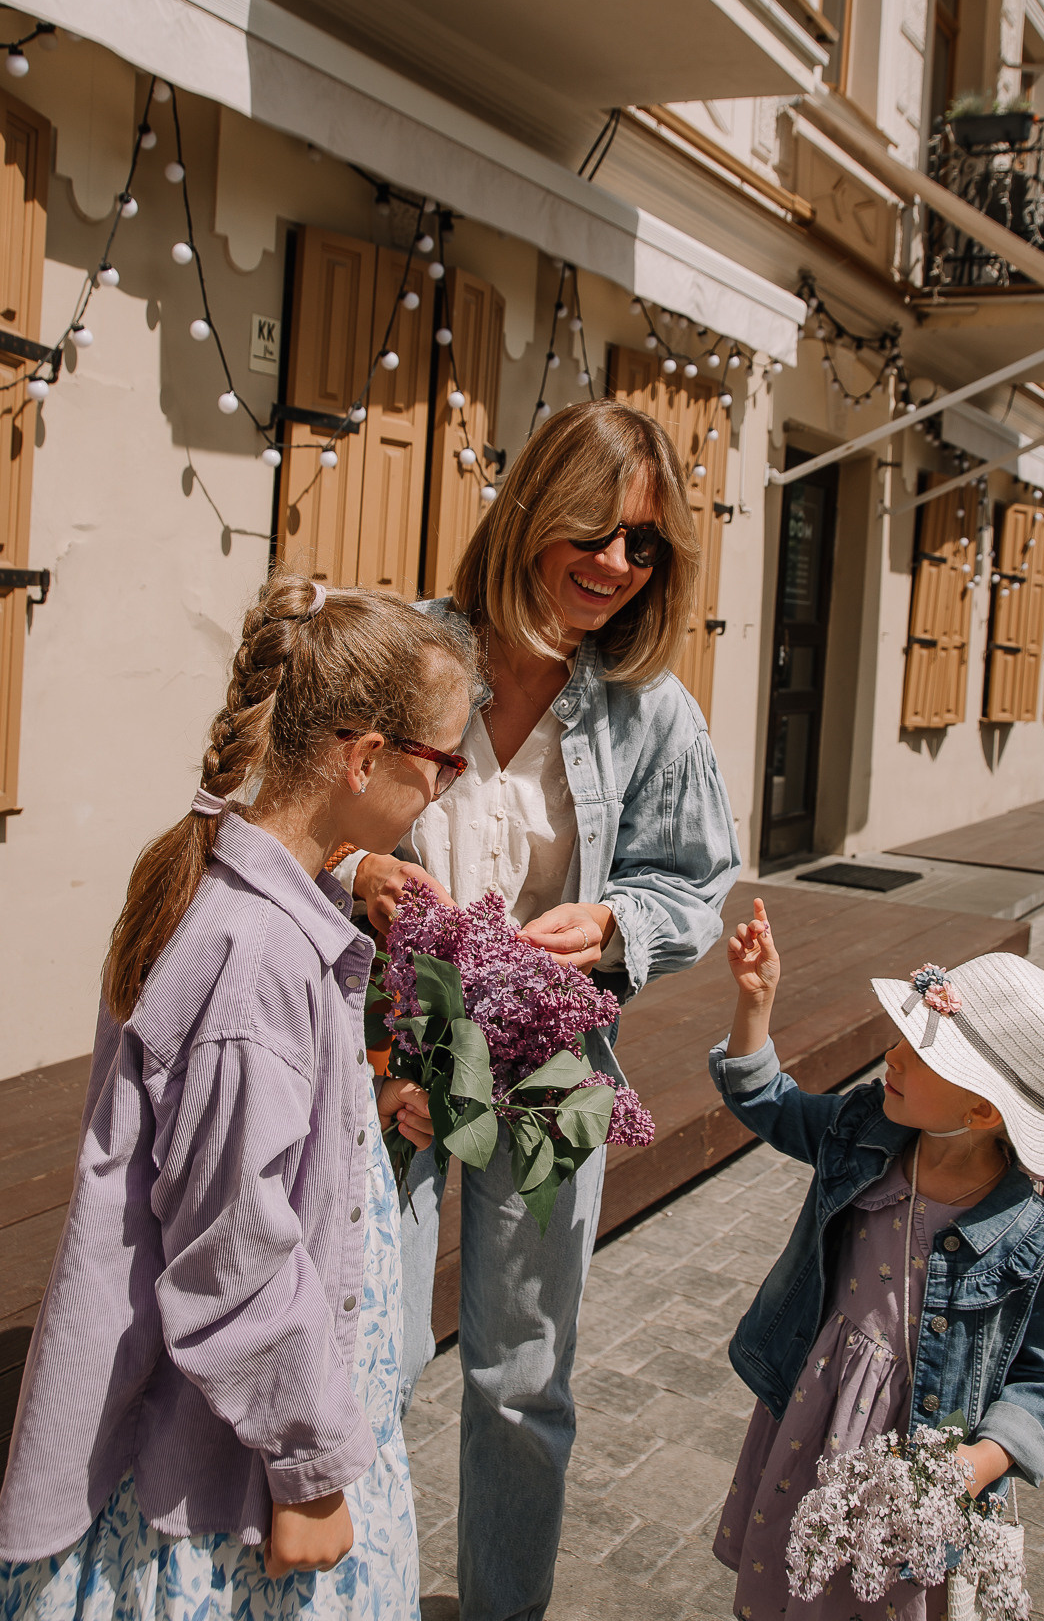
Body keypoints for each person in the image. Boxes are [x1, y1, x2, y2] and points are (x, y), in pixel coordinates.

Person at [0, 572, 478, 1621]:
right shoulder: (252, 964)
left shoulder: (248, 894)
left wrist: (349, 882)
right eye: (442, 761)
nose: (447, 788)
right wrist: (310, 1473)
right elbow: (230, 1246)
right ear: (363, 758)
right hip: (227, 1483)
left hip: (260, 1428)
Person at [342, 400, 742, 1621]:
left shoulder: (649, 711)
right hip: (389, 1057)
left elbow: (700, 881)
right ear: (534, 514)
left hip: (547, 1058)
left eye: (645, 549)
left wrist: (619, 923)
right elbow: (279, 808)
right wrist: (354, 873)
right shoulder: (404, 652)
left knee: (522, 1378)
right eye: (597, 531)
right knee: (373, 1358)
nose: (617, 567)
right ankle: (356, 1594)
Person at [708, 898, 1044, 1621]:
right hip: (815, 1425)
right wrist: (755, 1002)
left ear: (982, 1112)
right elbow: (767, 1102)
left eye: (922, 1054)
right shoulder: (863, 1134)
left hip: (920, 1470)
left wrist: (979, 1464)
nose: (893, 1055)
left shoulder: (1035, 1235)